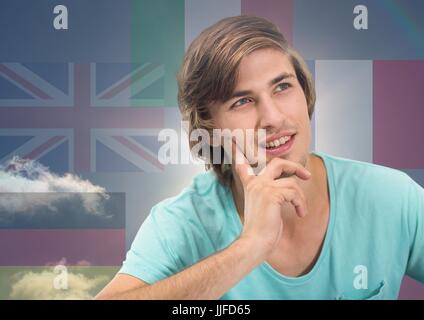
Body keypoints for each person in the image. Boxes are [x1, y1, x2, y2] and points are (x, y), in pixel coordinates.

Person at [95, 15, 424, 300]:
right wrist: (250, 246)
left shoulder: (392, 197)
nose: (273, 117)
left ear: (305, 91)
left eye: (282, 87)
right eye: (242, 102)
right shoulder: (180, 224)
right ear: (210, 128)